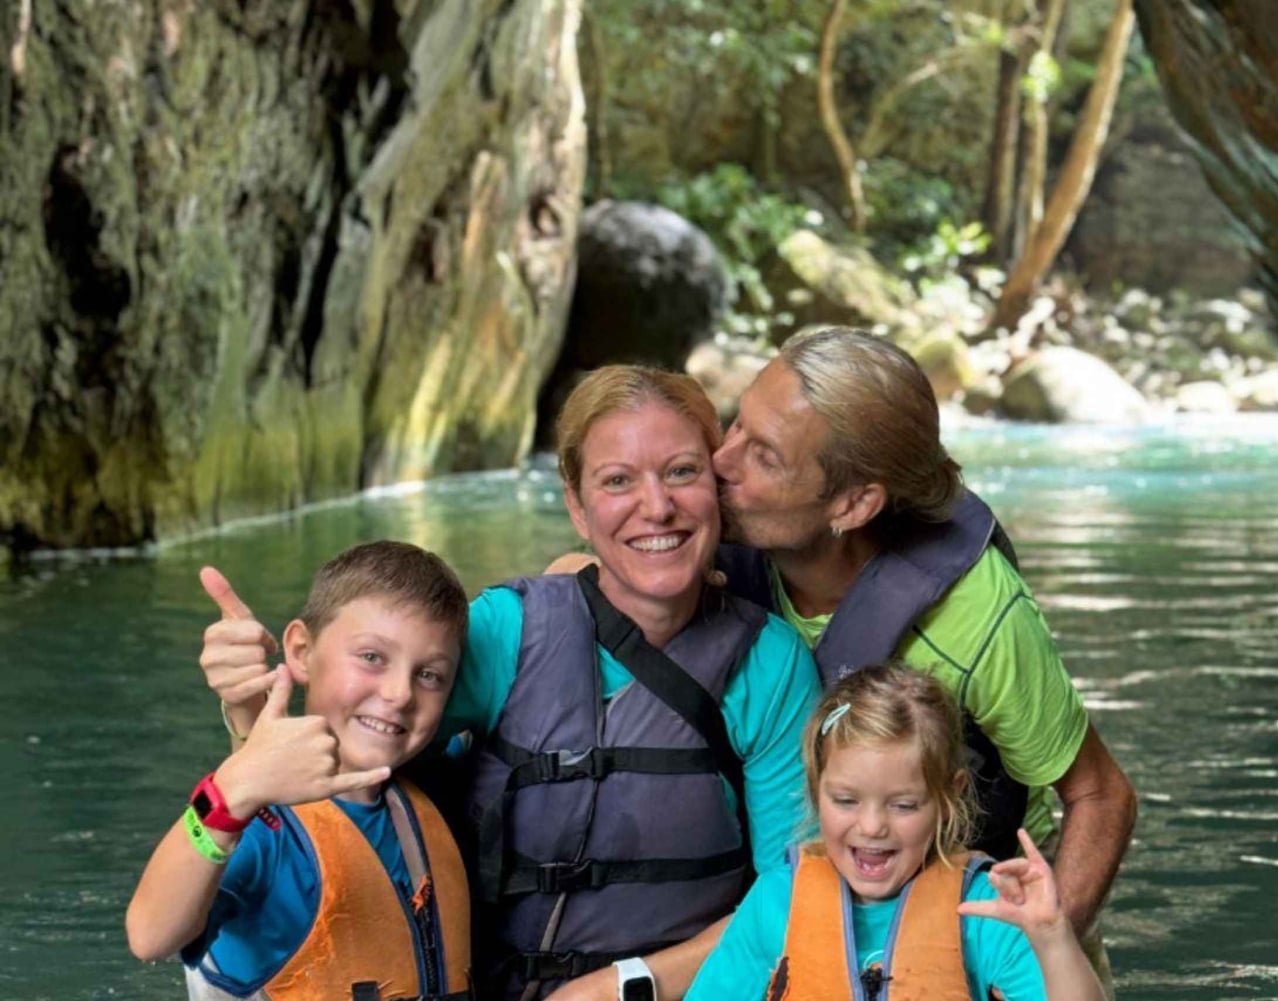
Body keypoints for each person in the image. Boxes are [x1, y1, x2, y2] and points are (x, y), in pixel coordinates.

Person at [197, 367, 824, 1001]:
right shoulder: (507, 632)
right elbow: (341, 753)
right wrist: (248, 710)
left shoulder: (769, 665)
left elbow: (795, 891)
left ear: (716, 487)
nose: (657, 506)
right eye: (617, 481)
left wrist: (619, 987)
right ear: (577, 506)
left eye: (682, 472)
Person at [710, 326, 1137, 995]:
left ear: (853, 504)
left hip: (982, 919)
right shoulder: (707, 556)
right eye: (736, 423)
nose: (720, 460)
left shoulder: (977, 612)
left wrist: (1027, 948)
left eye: (763, 456)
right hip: (802, 911)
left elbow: (1101, 794)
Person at [126, 541, 473, 1000]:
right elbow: (150, 936)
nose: (400, 694)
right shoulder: (267, 829)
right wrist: (232, 791)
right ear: (301, 651)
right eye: (372, 657)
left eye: (429, 675)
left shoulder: (430, 796)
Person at [685, 664, 1106, 1001]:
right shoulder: (776, 901)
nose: (871, 827)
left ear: (949, 797)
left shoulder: (984, 909)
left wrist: (1052, 936)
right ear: (816, 790)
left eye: (903, 805)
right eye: (846, 800)